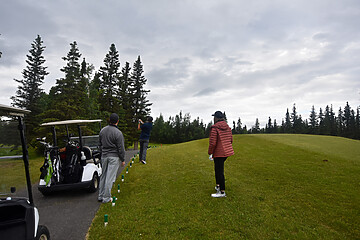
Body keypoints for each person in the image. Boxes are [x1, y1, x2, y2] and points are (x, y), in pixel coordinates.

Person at [98, 113, 125, 203]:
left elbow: (100, 144)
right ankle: (106, 198)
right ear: (117, 121)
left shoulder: (102, 130)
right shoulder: (118, 133)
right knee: (110, 178)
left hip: (104, 156)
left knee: (103, 176)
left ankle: (100, 196)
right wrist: (123, 159)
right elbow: (121, 148)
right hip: (114, 157)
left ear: (109, 120)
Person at [208, 111, 234, 198]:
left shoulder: (214, 128)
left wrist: (210, 152)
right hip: (226, 152)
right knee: (218, 170)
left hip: (219, 153)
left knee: (219, 171)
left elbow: (212, 143)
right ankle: (218, 186)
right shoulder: (228, 127)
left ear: (216, 118)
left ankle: (222, 192)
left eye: (214, 117)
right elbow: (231, 140)